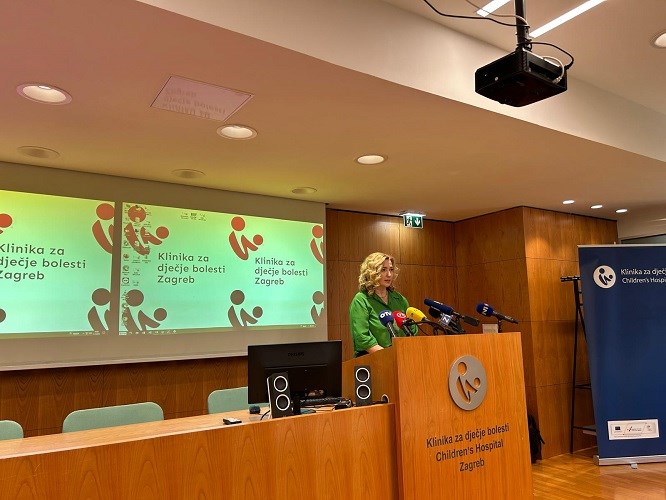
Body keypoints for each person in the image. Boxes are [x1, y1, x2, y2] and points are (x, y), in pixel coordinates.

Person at [349, 252, 412, 357]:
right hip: (374, 359)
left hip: (402, 357)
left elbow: (411, 330)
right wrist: (389, 356)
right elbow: (362, 338)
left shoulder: (399, 299)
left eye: (391, 269)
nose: (389, 274)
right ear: (371, 272)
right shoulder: (361, 300)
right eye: (383, 270)